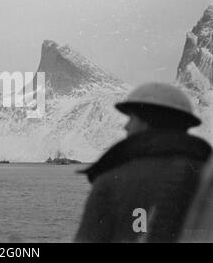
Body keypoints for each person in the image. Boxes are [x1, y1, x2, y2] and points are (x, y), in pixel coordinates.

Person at [74, 83, 212, 243]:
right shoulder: (206, 175)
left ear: (146, 122)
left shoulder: (111, 180)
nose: (126, 126)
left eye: (131, 118)